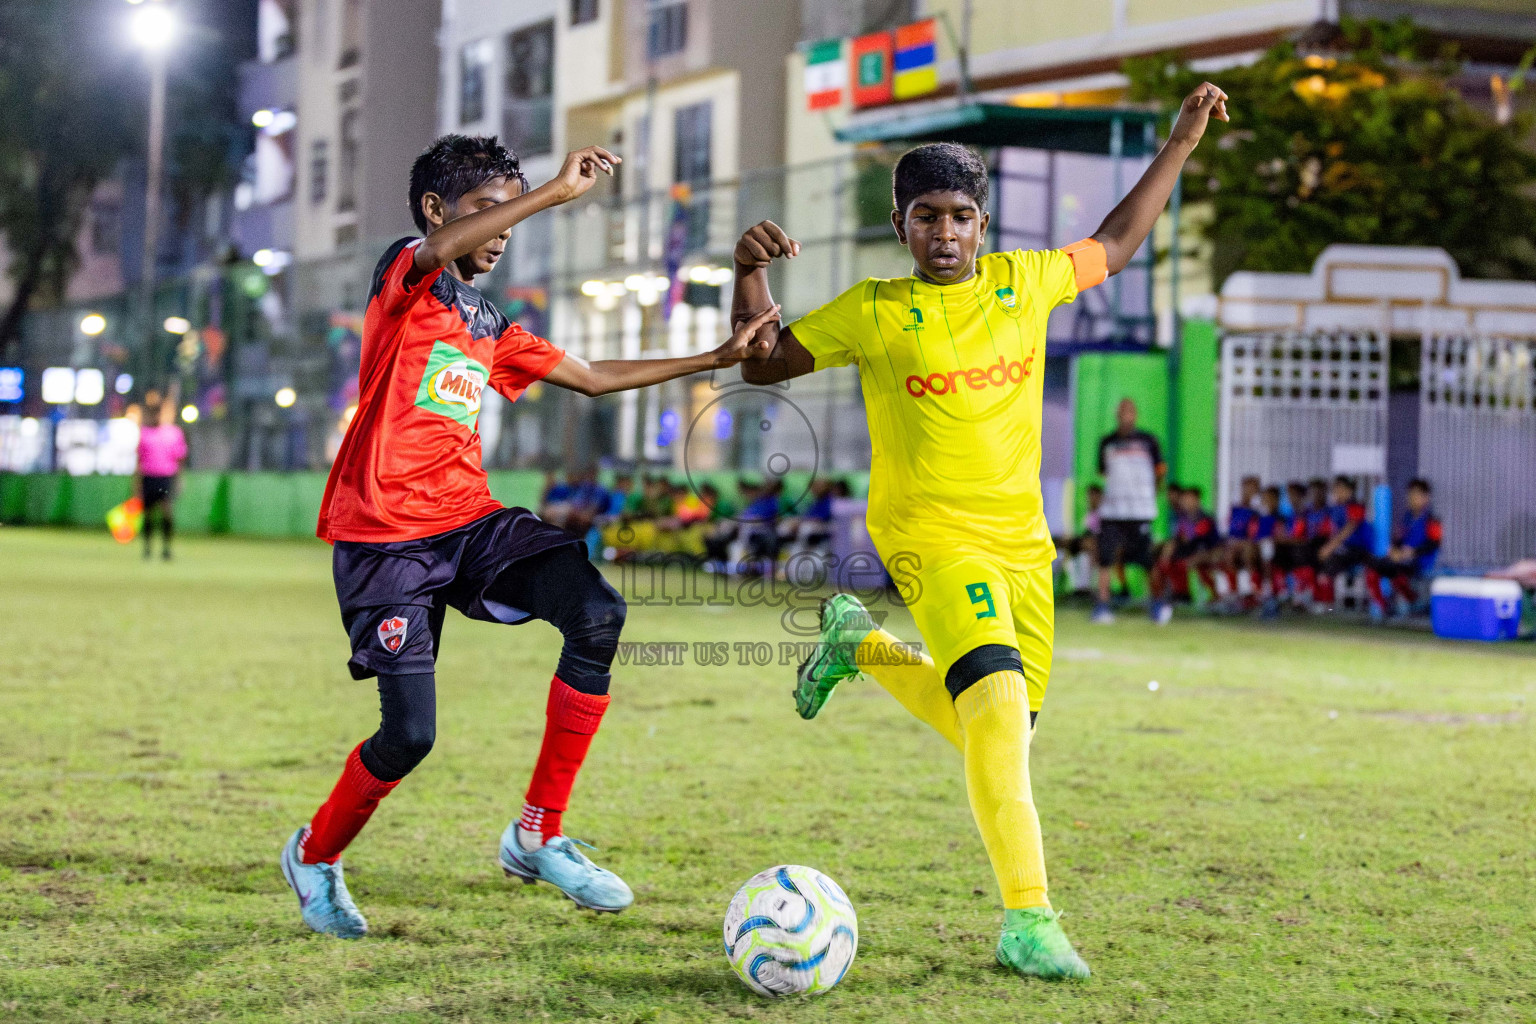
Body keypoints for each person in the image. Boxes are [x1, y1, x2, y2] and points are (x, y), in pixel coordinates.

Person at [728, 83, 1229, 979]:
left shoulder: (1025, 283)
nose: (946, 234)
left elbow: (1115, 242)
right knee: (995, 713)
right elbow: (762, 364)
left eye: (960, 216)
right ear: (900, 224)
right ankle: (1027, 921)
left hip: (1023, 546)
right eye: (927, 217)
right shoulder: (876, 309)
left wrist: (1181, 145)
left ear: (984, 224)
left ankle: (862, 647)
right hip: (927, 533)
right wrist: (749, 273)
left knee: (998, 730)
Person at [281, 135, 783, 939]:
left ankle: (537, 833)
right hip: (385, 541)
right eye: (485, 213)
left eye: (506, 216)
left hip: (470, 521)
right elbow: (438, 250)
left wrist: (715, 355)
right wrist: (552, 192)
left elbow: (589, 377)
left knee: (597, 614)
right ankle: (314, 853)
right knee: (409, 736)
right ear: (438, 211)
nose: (501, 231)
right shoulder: (403, 277)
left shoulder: (489, 323)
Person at [1092, 398, 1167, 624]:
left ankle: (1157, 604)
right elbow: (1103, 473)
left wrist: (1151, 494)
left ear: (1135, 415)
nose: (1125, 415)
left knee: (1146, 561)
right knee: (1105, 558)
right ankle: (1102, 606)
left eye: (1130, 411)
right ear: (1117, 414)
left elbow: (1160, 470)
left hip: (1140, 510)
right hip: (1113, 512)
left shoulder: (1148, 441)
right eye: (1121, 410)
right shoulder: (1107, 442)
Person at [1364, 478, 1442, 619]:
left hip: (1421, 561)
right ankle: (1384, 608)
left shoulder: (1432, 520)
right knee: (1373, 568)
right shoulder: (1407, 518)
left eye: (1416, 495)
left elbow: (1434, 544)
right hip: (1401, 560)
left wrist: (1413, 552)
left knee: (1396, 571)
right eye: (1410, 495)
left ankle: (1414, 602)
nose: (1412, 499)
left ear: (1426, 497)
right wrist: (1394, 549)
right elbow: (1398, 540)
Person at [1150, 484, 1219, 621]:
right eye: (1185, 499)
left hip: (1207, 553)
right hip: (1186, 552)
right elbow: (1180, 539)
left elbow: (1194, 539)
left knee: (1183, 563)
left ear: (1197, 500)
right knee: (1163, 564)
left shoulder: (1205, 518)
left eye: (1189, 499)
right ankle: (1171, 595)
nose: (1186, 502)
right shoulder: (1182, 518)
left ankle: (1209, 596)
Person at [135, 388, 188, 561]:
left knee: (167, 512)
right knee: (148, 514)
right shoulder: (144, 434)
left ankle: (166, 549)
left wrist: (179, 480)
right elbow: (139, 460)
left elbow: (179, 459)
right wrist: (136, 484)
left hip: (166, 478)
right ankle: (148, 548)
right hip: (149, 477)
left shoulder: (173, 433)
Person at [1315, 475, 1373, 607]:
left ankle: (1327, 604)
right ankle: (1318, 598)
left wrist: (1329, 547)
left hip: (1358, 550)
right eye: (1335, 489)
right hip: (1341, 549)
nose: (1336, 493)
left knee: (1330, 561)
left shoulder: (1356, 506)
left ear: (1349, 490)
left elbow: (1349, 528)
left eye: (1339, 489)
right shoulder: (1334, 508)